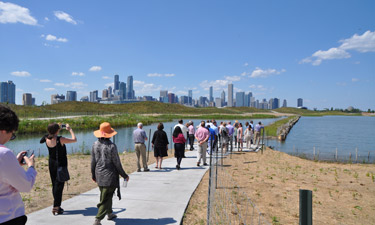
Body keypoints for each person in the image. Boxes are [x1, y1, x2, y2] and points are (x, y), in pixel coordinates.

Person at [0, 105, 37, 225]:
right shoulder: (4, 154)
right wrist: (31, 167)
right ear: (4, 130)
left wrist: (14, 164)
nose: (11, 137)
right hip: (8, 216)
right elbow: (25, 185)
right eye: (12, 134)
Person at [91, 122, 129, 225]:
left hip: (99, 173)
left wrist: (93, 175)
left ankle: (110, 213)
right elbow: (117, 163)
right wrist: (124, 175)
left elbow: (93, 161)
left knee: (105, 195)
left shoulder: (95, 144)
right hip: (110, 175)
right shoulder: (112, 146)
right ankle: (97, 219)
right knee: (106, 198)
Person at [40, 122, 76, 215]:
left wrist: (56, 128)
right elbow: (74, 139)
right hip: (60, 163)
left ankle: (56, 205)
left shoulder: (46, 138)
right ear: (57, 130)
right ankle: (56, 206)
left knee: (54, 183)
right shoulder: (60, 139)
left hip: (51, 163)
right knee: (59, 185)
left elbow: (44, 139)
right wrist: (70, 129)